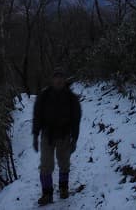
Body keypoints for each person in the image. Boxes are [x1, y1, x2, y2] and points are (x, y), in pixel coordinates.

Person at [32, 68, 82, 206]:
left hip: (64, 135)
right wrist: (35, 135)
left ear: (65, 80)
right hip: (47, 135)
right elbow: (37, 116)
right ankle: (47, 194)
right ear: (52, 80)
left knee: (64, 163)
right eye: (56, 77)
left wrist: (75, 139)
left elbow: (76, 119)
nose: (59, 80)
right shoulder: (44, 96)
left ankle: (63, 188)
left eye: (61, 77)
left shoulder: (71, 98)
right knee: (46, 165)